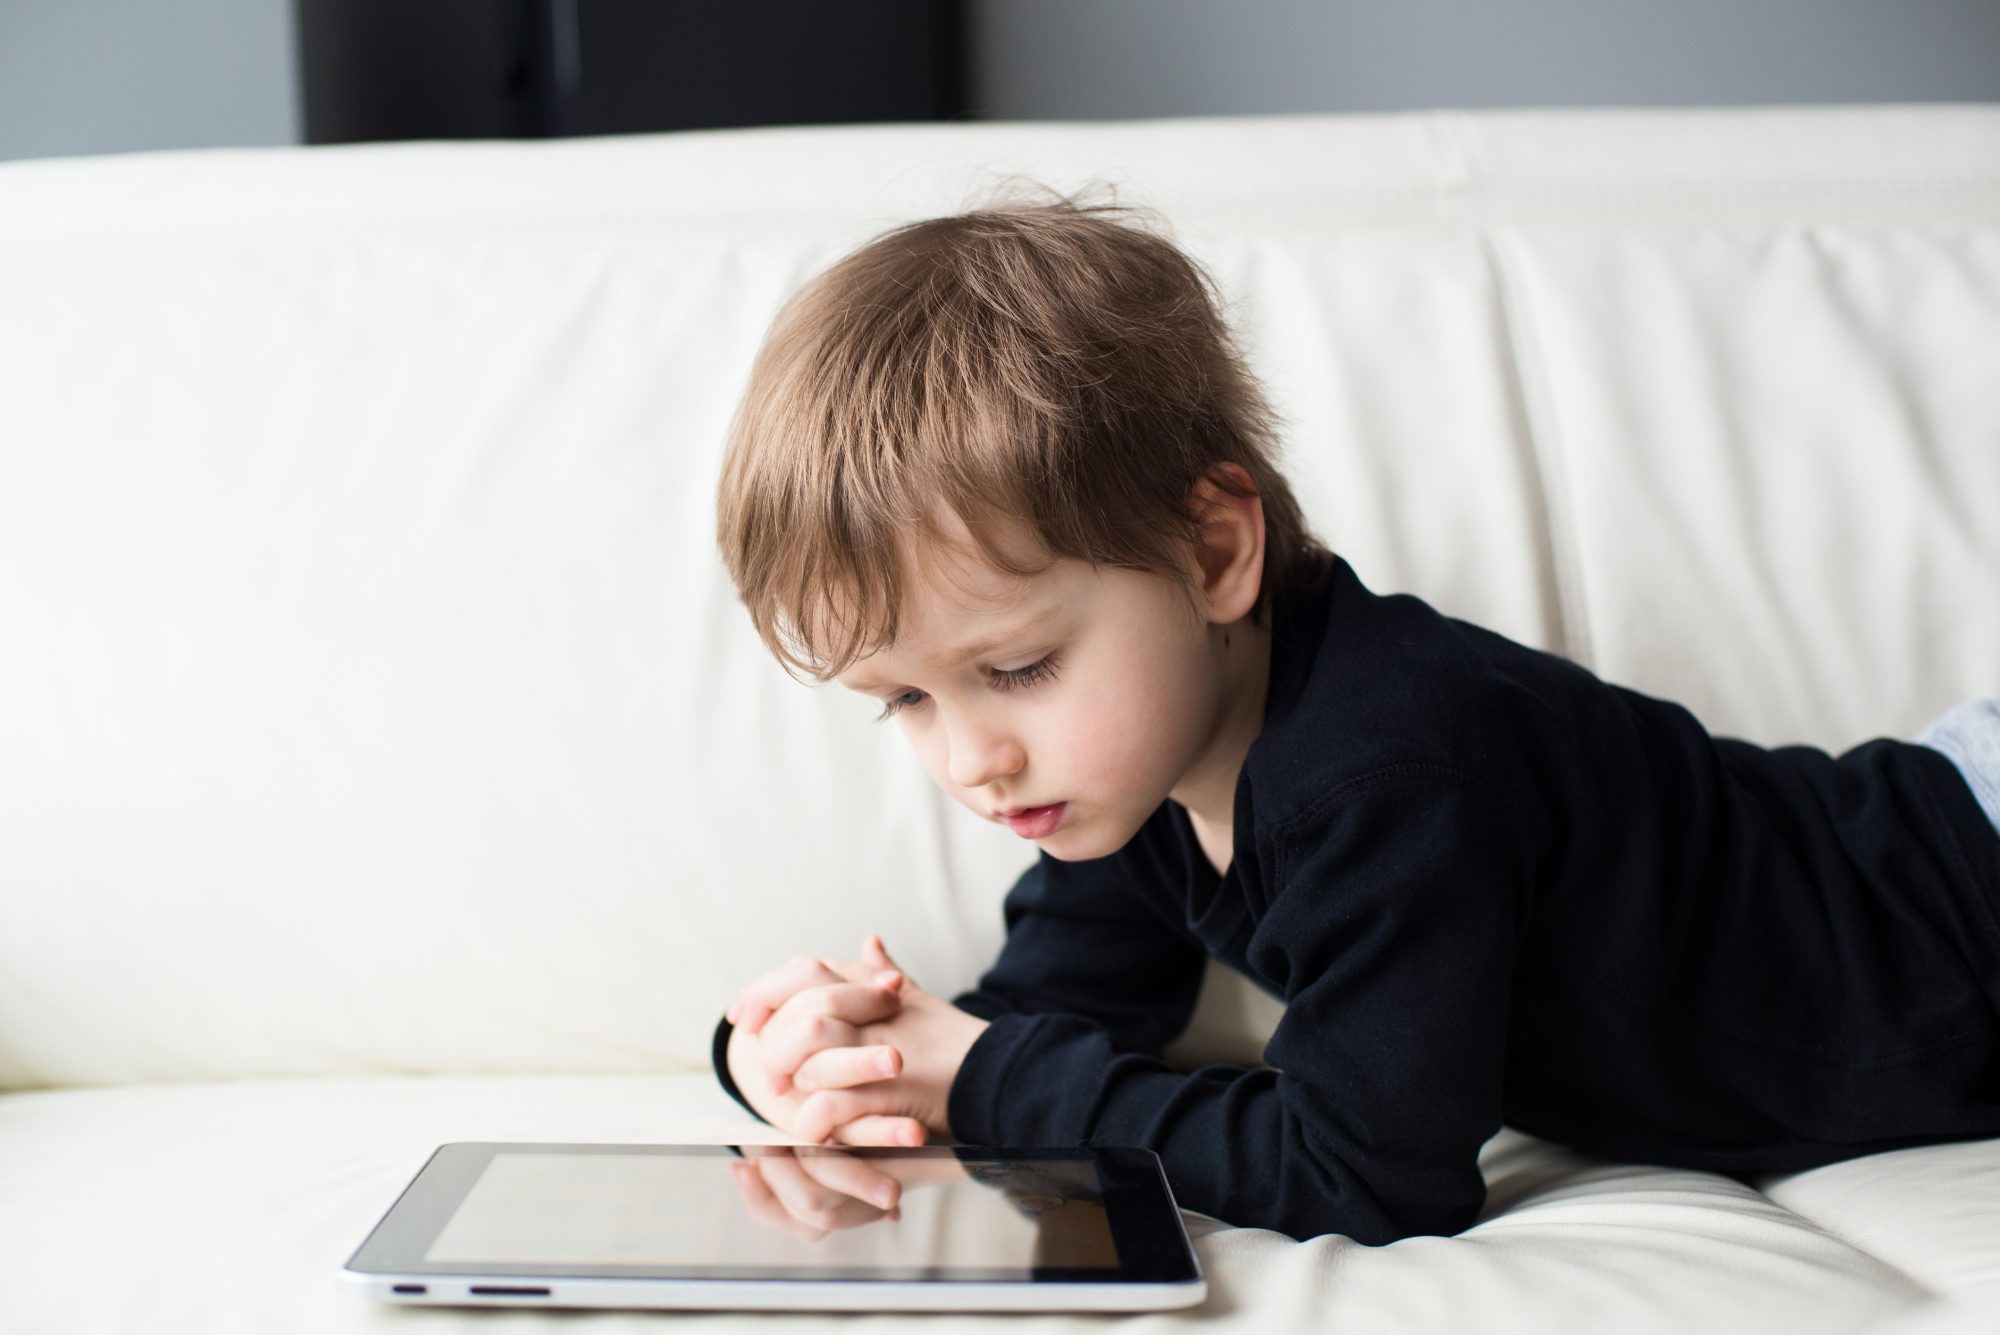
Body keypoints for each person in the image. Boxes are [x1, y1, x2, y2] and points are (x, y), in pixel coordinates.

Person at [704, 186, 2000, 1246]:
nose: (971, 759)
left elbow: (1374, 1174)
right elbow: (1054, 1023)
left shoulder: (1385, 765)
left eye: (1021, 667)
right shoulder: (1124, 777)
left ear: (1215, 550)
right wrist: (829, 1061)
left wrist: (980, 1077)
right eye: (904, 703)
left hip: (1960, 902)